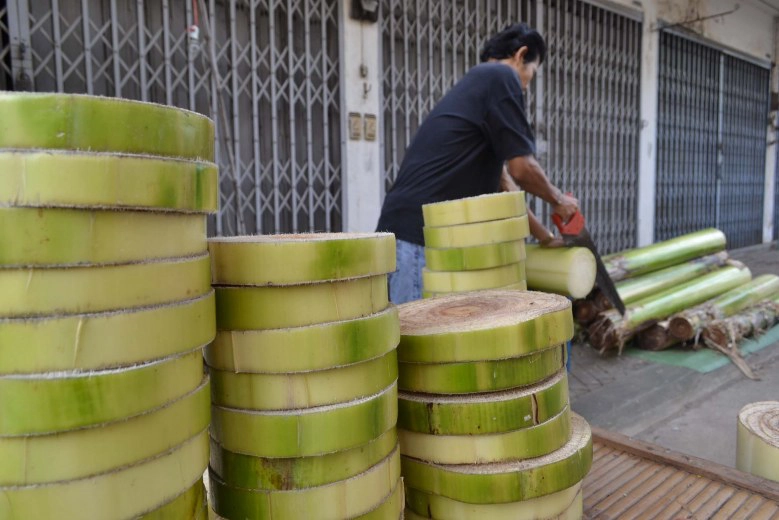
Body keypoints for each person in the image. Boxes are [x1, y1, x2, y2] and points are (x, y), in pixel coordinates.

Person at [376, 22, 579, 304]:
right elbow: (522, 167)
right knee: (416, 342)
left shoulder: (481, 87)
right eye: (532, 74)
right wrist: (559, 200)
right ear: (521, 55)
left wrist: (544, 237)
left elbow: (507, 185)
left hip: (411, 234)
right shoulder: (500, 76)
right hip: (417, 239)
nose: (526, 86)